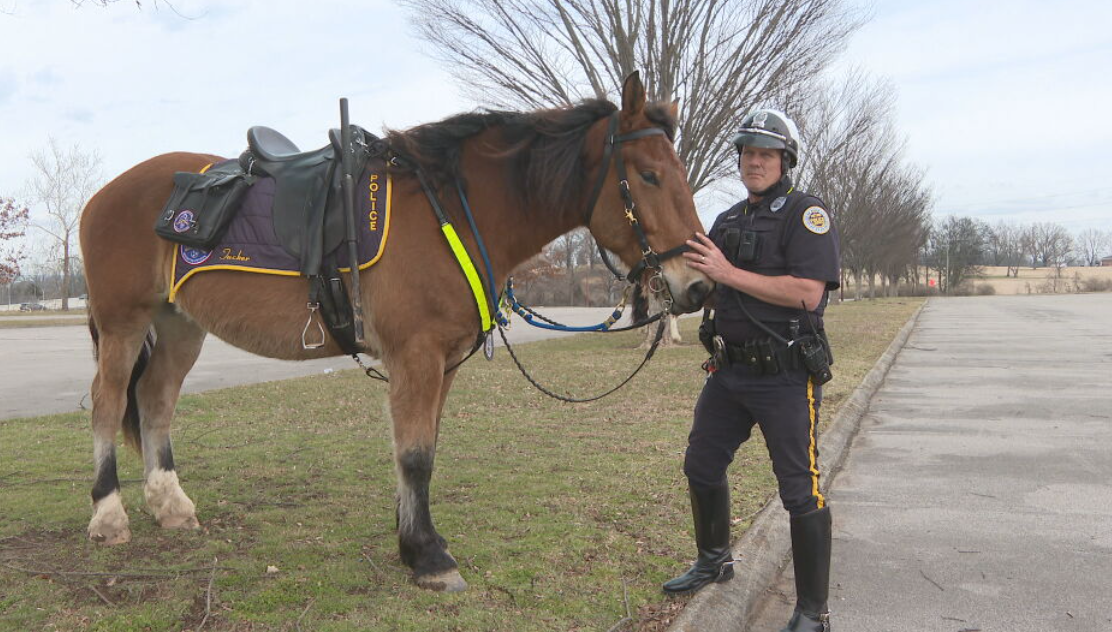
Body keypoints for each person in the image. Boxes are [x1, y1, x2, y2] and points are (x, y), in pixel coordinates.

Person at [662, 109, 840, 632]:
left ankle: (813, 611)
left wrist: (727, 272)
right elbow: (712, 287)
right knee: (700, 464)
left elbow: (808, 292)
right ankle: (714, 559)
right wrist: (680, 288)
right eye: (746, 152)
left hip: (785, 376)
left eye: (765, 153)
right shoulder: (728, 220)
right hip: (730, 372)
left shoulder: (807, 214)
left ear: (785, 160)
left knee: (800, 489)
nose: (754, 161)